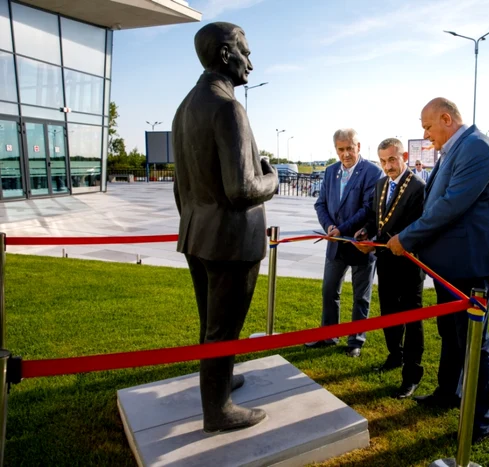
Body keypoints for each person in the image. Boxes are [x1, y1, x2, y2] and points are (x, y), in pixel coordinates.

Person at [172, 22, 278, 432]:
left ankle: (220, 379)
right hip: (231, 242)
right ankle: (217, 411)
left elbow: (180, 185)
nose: (250, 61)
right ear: (224, 55)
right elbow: (242, 190)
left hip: (198, 235)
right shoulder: (228, 107)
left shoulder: (186, 107)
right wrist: (272, 180)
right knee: (223, 326)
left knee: (212, 324)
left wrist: (194, 222)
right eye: (245, 52)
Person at [386, 97, 489, 444]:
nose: (426, 135)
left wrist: (406, 238)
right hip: (447, 265)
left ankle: (478, 422)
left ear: (447, 118)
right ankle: (447, 393)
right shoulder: (458, 149)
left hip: (468, 264)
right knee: (450, 335)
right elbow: (433, 202)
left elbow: (451, 206)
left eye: (427, 127)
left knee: (473, 344)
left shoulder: (477, 148)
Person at [354, 138, 426, 399]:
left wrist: (376, 243)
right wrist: (366, 232)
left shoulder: (418, 187)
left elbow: (415, 227)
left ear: (403, 155)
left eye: (392, 160)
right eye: (383, 161)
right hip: (385, 262)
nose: (388, 166)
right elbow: (377, 220)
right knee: (388, 312)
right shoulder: (381, 184)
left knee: (411, 317)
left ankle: (412, 374)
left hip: (409, 263)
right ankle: (394, 355)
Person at [311, 128, 383, 357]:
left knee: (361, 295)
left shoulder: (373, 172)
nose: (346, 154)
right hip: (335, 242)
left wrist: (341, 229)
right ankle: (329, 334)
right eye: (341, 149)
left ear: (358, 147)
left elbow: (367, 209)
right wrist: (329, 227)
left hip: (361, 242)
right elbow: (320, 204)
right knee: (329, 290)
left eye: (350, 148)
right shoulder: (331, 171)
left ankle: (356, 341)